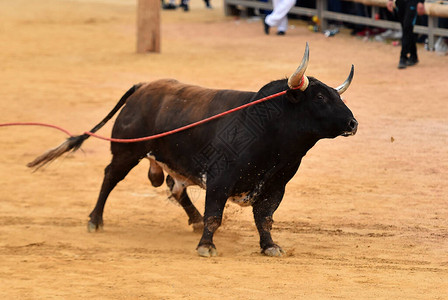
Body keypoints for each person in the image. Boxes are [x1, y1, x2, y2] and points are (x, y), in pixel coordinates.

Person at [387, 0, 426, 69]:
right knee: (406, 29)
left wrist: (421, 2)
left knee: (407, 27)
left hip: (413, 2)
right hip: (400, 2)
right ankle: (413, 56)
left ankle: (403, 57)